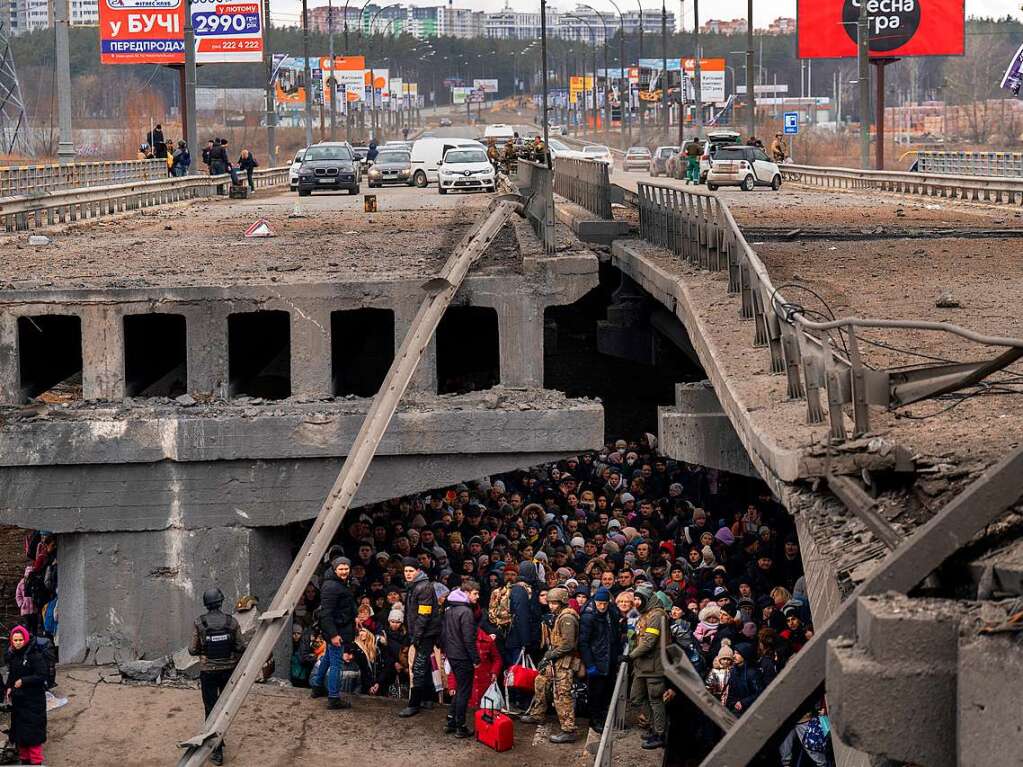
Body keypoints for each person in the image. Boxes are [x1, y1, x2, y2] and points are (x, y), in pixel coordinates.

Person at [188, 588, 245, 766]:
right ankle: (220, 739)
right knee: (225, 708)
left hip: (208, 672)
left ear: (206, 603)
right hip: (228, 671)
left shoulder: (199, 622)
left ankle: (217, 750)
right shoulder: (232, 622)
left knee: (210, 709)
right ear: (221, 601)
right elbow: (239, 647)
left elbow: (192, 650)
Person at [520, 586, 579, 744]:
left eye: (554, 603)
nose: (551, 605)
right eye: (550, 603)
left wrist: (549, 655)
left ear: (562, 602)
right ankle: (537, 714)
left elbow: (568, 645)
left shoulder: (567, 618)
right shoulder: (558, 615)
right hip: (555, 660)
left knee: (562, 694)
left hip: (564, 662)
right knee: (541, 681)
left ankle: (568, 729)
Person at [627, 584, 667, 750]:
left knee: (655, 700)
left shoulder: (657, 615)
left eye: (638, 599)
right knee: (636, 697)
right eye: (634, 599)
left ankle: (659, 733)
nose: (636, 602)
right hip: (641, 666)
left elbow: (649, 642)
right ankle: (653, 726)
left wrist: (630, 656)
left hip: (654, 666)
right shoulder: (645, 614)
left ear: (647, 599)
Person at [400, 556, 441, 717]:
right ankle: (428, 698)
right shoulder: (415, 585)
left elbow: (424, 614)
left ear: (418, 571)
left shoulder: (423, 587)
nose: (408, 574)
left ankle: (414, 704)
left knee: (418, 666)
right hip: (422, 632)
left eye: (411, 571)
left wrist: (416, 636)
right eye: (405, 571)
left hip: (425, 633)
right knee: (424, 665)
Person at [315, 556, 358, 709]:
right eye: (341, 569)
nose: (344, 571)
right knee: (336, 664)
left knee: (327, 658)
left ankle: (317, 686)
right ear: (334, 569)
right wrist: (333, 635)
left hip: (339, 627)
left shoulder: (339, 582)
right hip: (336, 630)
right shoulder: (332, 586)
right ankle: (334, 698)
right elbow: (326, 613)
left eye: (346, 568)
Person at [578, 586, 620, 734]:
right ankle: (595, 720)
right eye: (599, 603)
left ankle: (603, 717)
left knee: (607, 691)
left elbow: (615, 635)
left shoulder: (612, 613)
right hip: (596, 659)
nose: (602, 606)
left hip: (609, 658)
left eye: (604, 603)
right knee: (595, 693)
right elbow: (583, 642)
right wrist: (590, 664)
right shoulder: (588, 616)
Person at [441, 582, 480, 738]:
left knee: (459, 688)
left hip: (452, 654)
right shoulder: (466, 612)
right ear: (467, 593)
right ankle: (460, 727)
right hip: (463, 656)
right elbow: (468, 639)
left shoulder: (450, 609)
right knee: (464, 691)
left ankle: (451, 721)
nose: (477, 597)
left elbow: (444, 633)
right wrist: (475, 658)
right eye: (475, 593)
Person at [4, 626, 47, 765]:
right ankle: (24, 762)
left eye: (20, 639)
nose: (17, 642)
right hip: (19, 702)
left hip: (34, 702)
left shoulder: (35, 655)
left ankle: (36, 763)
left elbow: (41, 675)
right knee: (21, 736)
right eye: (15, 640)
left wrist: (24, 681)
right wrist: (9, 688)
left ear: (26, 639)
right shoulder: (14, 656)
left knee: (33, 736)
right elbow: (12, 675)